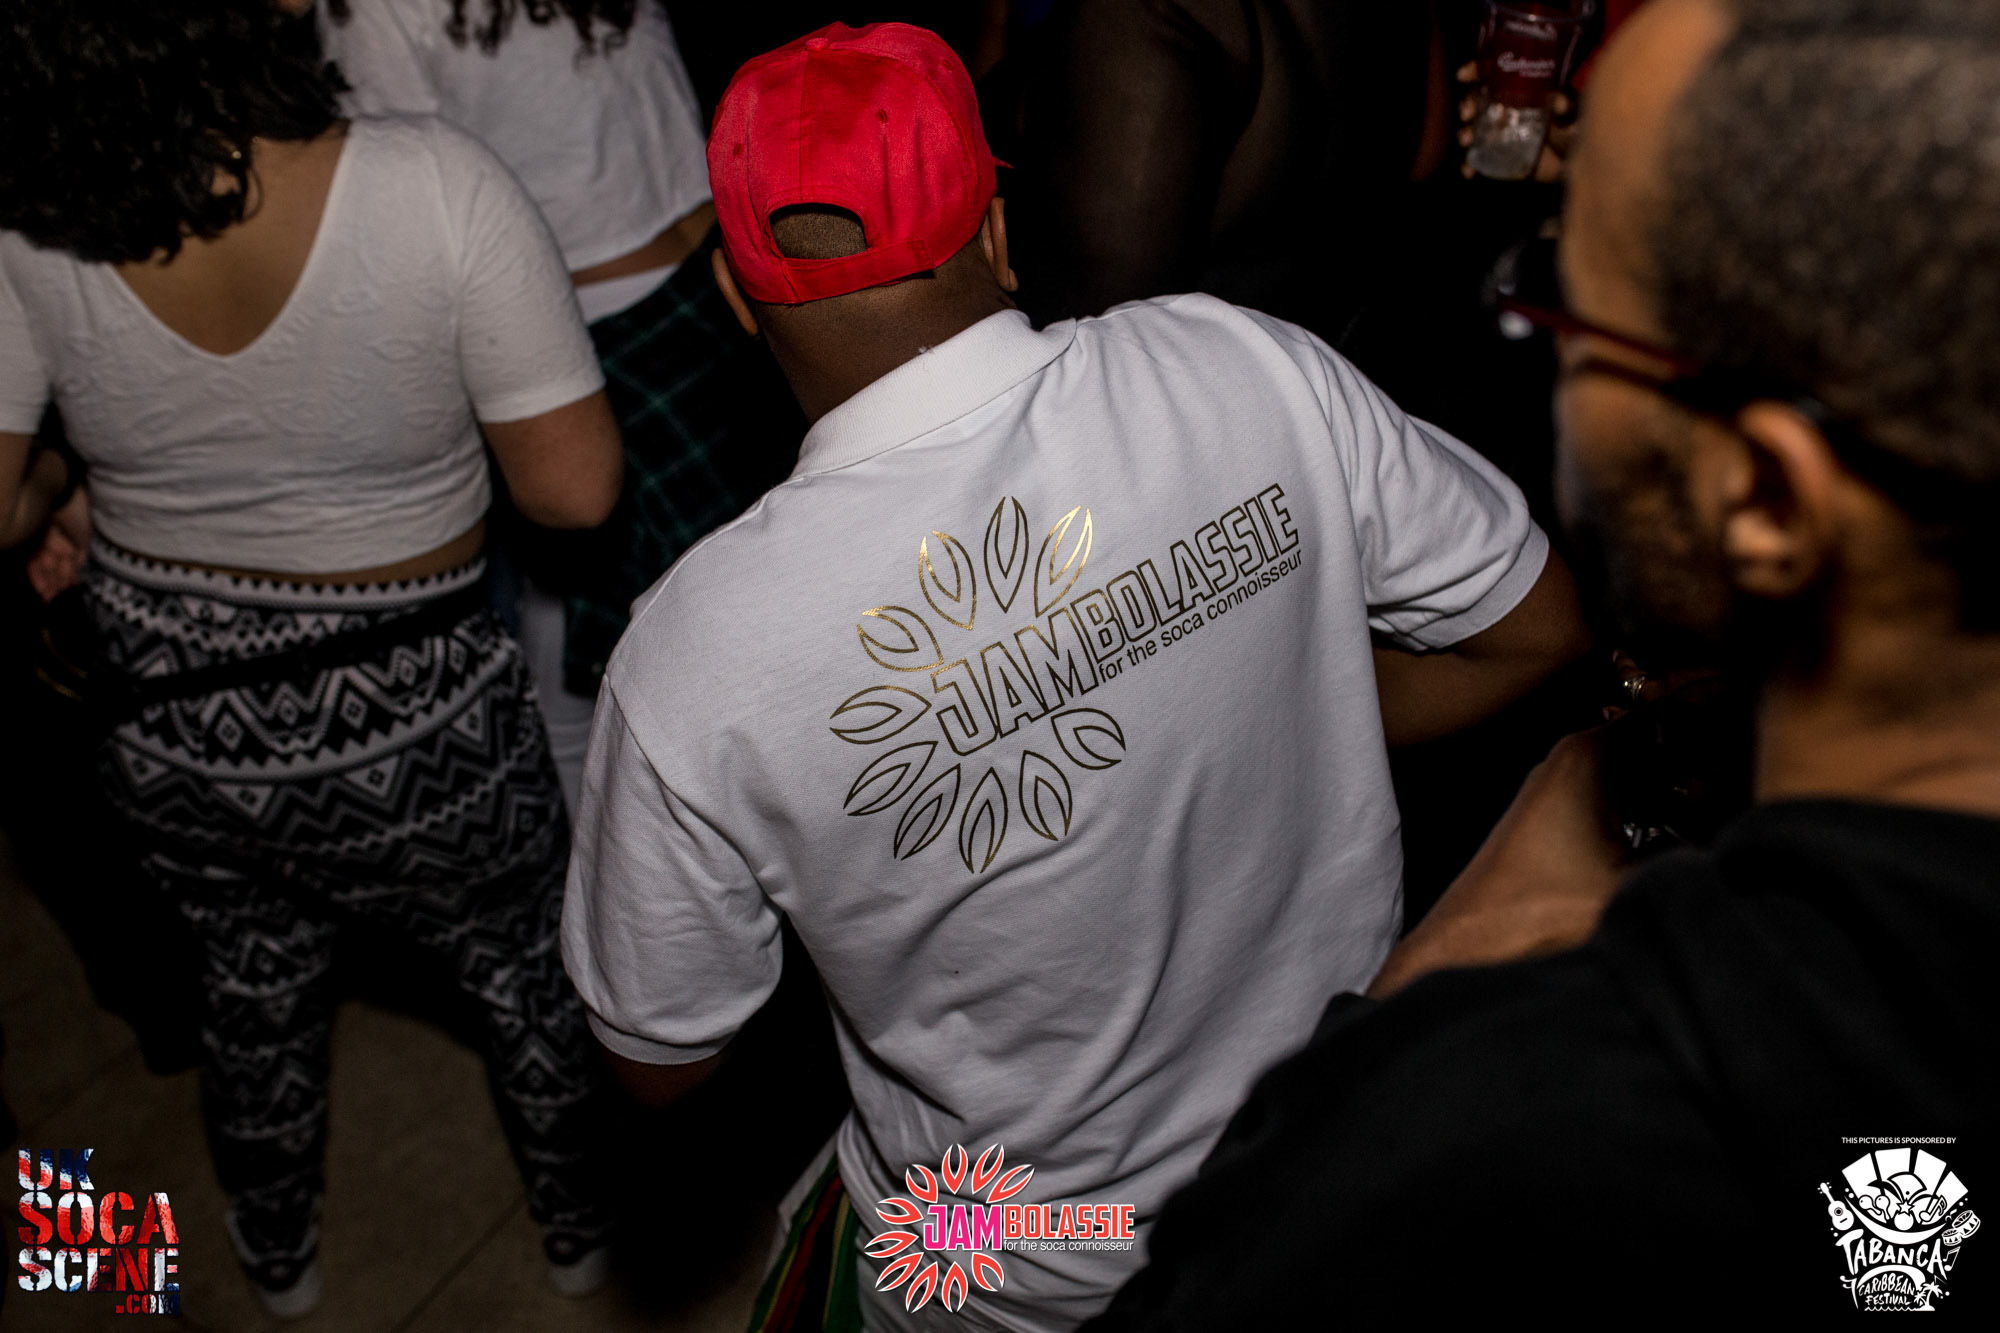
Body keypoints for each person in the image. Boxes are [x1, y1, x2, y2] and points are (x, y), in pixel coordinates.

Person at [561, 22, 1588, 1330]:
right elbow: (1538, 630)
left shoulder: (696, 657)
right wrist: (1275, 690)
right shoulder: (1246, 368)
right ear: (996, 233)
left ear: (732, 294)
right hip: (1330, 1167)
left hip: (1016, 1254)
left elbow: (657, 1055)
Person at [1084, 0, 2000, 1320]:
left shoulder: (1501, 1134)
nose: (1550, 354)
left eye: (1567, 306)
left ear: (1763, 496)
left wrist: (1410, 1014)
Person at [0, 0, 622, 1314]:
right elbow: (573, 493)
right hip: (421, 710)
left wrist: (66, 477)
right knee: (521, 968)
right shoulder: (436, 181)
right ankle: (579, 1233)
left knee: (251, 977)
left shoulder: (32, 227)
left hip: (175, 715)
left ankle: (278, 1260)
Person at [313, 0, 807, 810]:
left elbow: (406, 206)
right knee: (736, 617)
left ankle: (606, 871)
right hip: (714, 279)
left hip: (604, 323)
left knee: (606, 659)